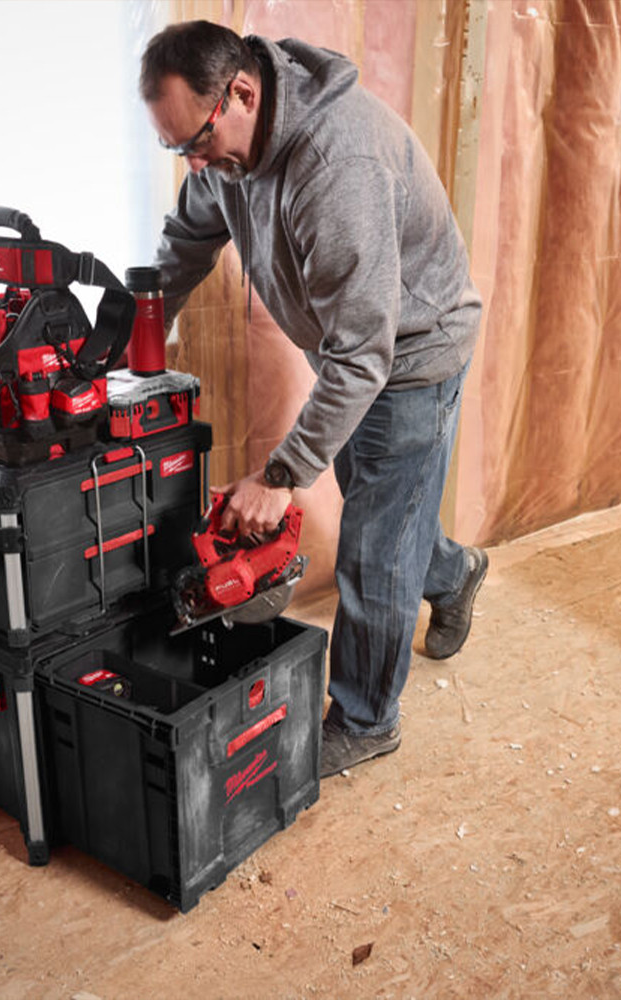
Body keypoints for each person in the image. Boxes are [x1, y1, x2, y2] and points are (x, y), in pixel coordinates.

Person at [140, 20, 487, 778]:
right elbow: (189, 239)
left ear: (242, 92)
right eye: (177, 149)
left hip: (412, 355)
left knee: (374, 550)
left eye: (197, 140)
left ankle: (366, 720)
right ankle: (453, 572)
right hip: (352, 352)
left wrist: (281, 475)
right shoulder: (226, 151)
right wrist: (138, 330)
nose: (194, 164)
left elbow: (366, 354)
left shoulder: (337, 167)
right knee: (385, 511)